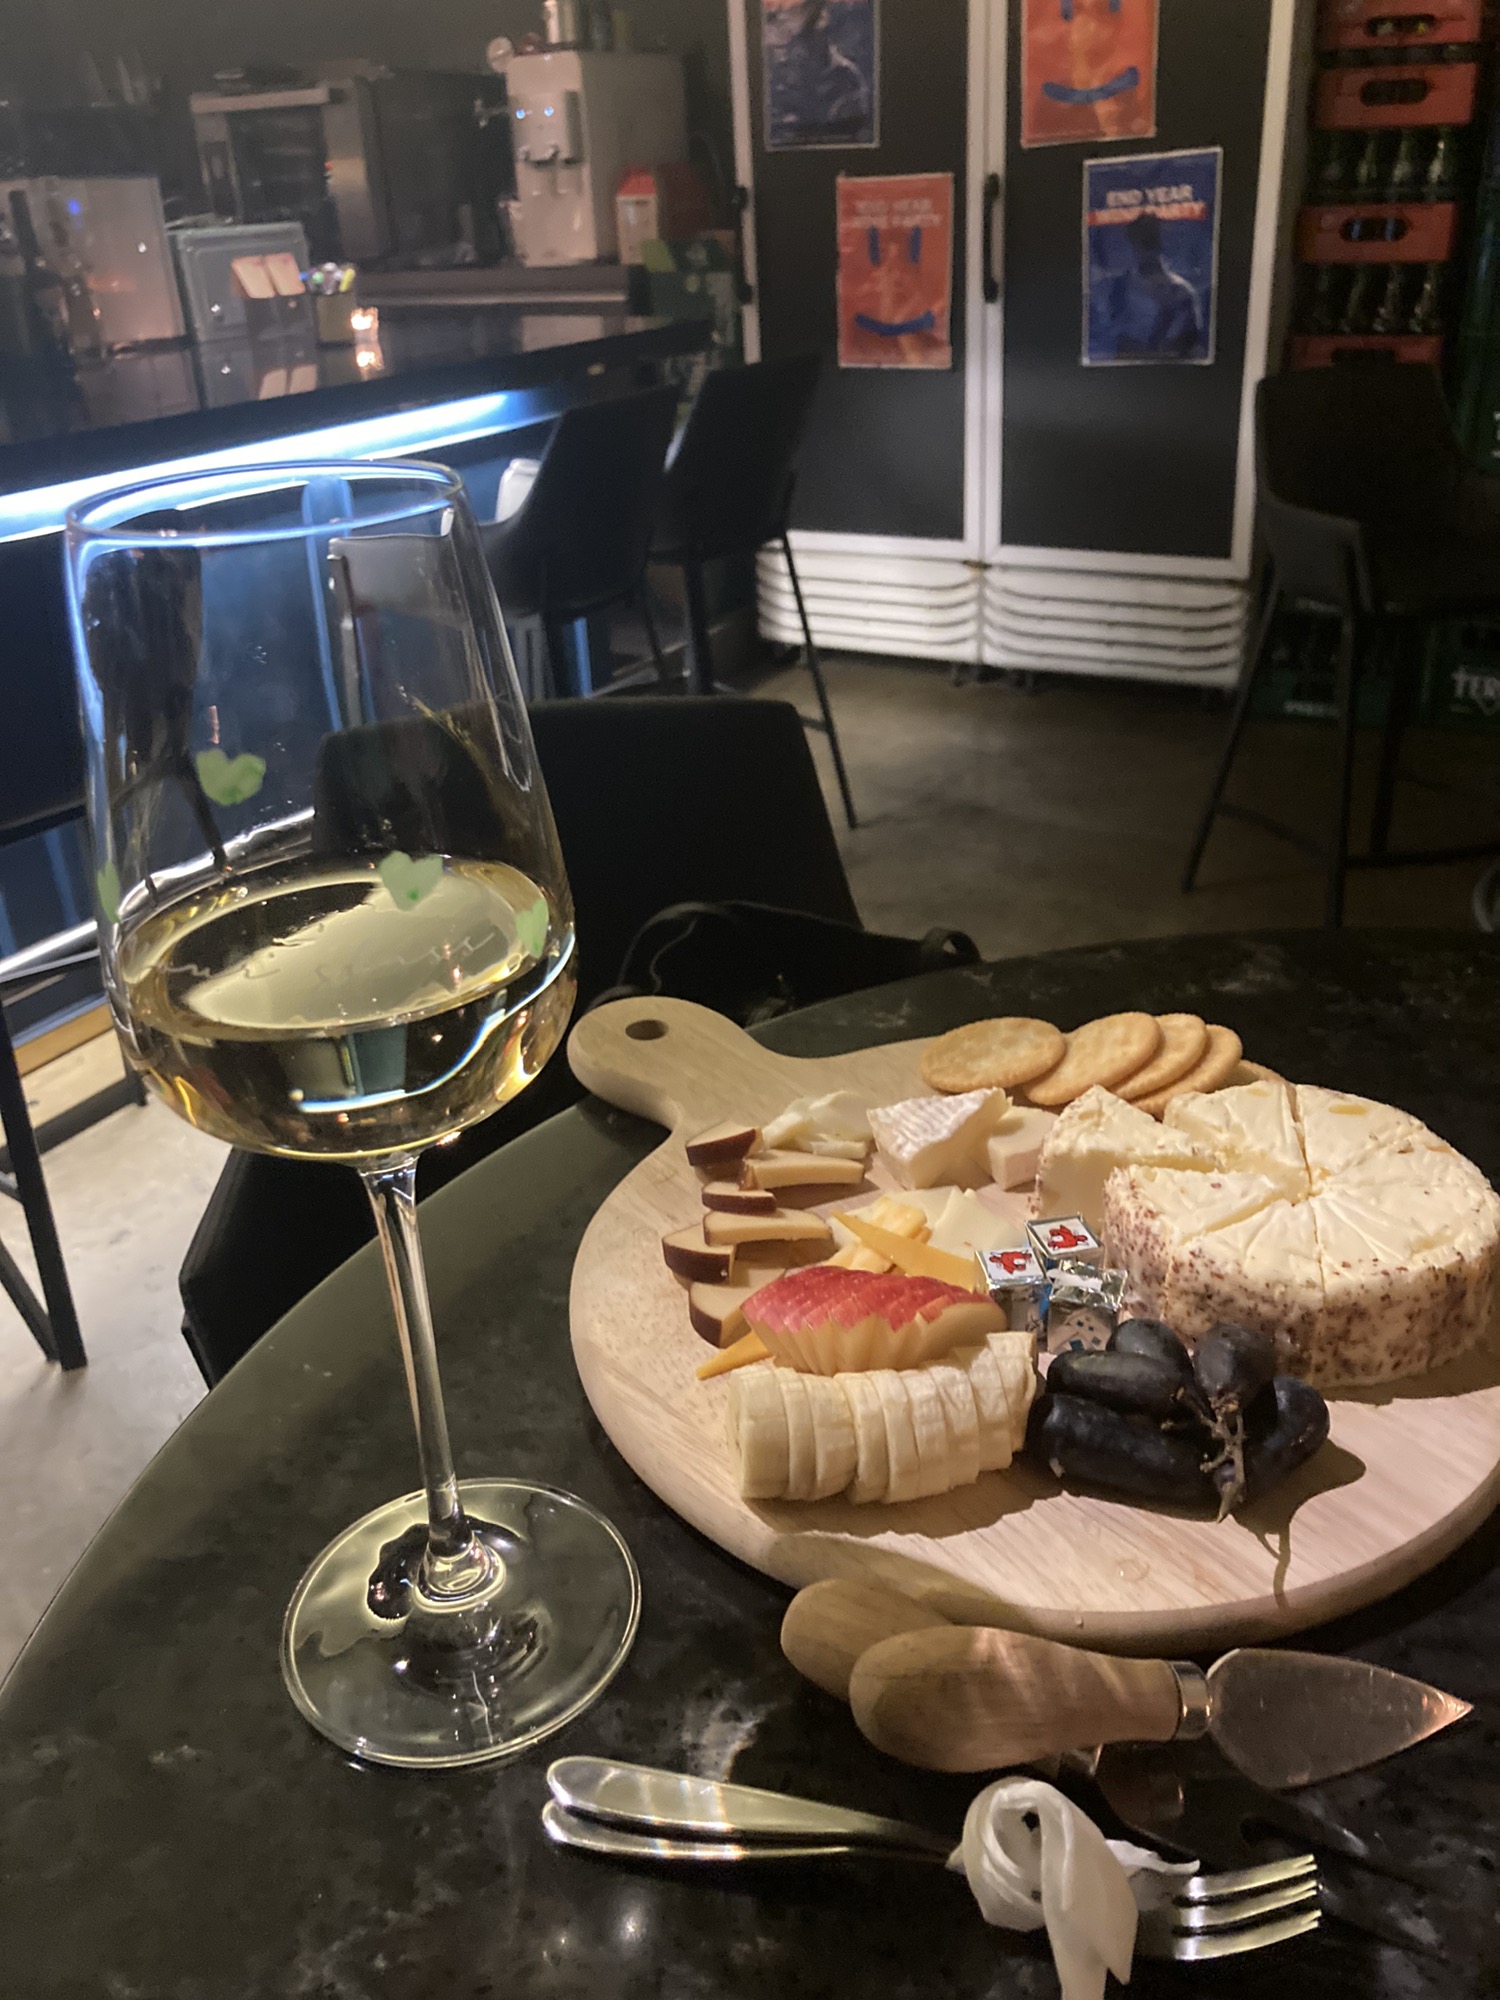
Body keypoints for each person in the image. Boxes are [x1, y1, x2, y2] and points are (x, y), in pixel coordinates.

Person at [1099, 210, 1203, 361]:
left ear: (1161, 243)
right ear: (1132, 244)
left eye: (1151, 242)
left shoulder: (1182, 292)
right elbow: (1110, 336)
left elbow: (1190, 343)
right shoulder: (1119, 288)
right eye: (1142, 242)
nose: (1146, 251)